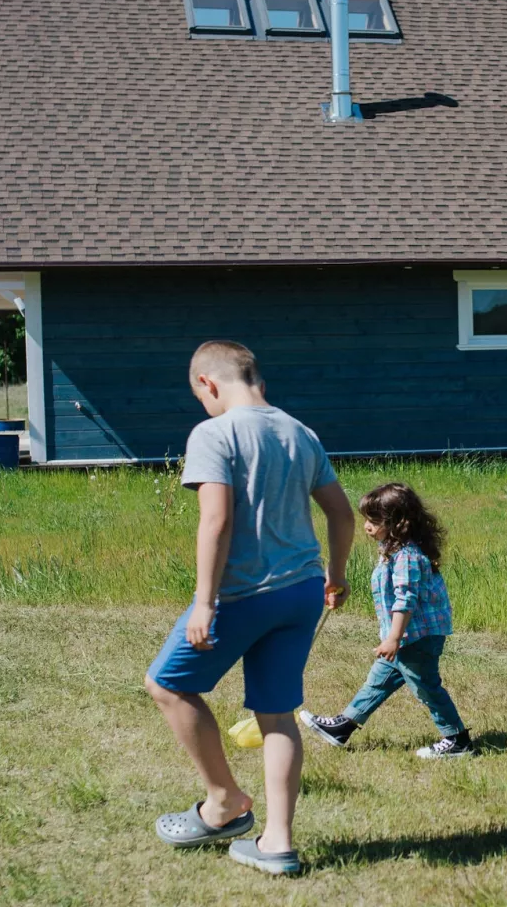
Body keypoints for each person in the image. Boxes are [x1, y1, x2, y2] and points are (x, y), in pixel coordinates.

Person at [145, 340, 355, 876]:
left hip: (243, 594)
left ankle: (223, 803)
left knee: (168, 685)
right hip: (302, 592)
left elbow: (215, 521)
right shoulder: (300, 433)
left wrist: (203, 602)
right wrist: (336, 575)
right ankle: (277, 844)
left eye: (201, 397)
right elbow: (341, 513)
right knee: (277, 713)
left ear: (207, 384)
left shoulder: (213, 433)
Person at [300, 482, 475, 759]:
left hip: (416, 636)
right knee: (378, 681)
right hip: (407, 635)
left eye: (374, 520)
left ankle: (457, 739)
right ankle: (344, 726)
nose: (367, 526)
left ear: (398, 523)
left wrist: (393, 638)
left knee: (426, 686)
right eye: (366, 519)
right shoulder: (394, 551)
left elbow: (406, 599)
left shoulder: (407, 556)